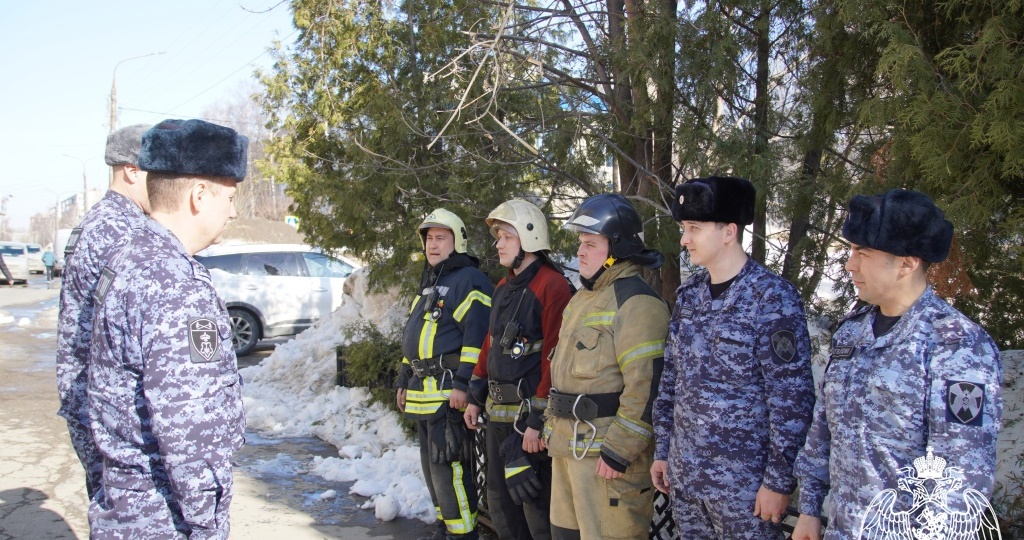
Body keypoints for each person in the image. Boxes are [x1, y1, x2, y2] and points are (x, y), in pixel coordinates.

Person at [791, 189, 1002, 540]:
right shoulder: (852, 332)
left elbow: (961, 480)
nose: (849, 264)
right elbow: (824, 427)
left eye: (864, 252)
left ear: (907, 263)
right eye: (851, 250)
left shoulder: (956, 346)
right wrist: (810, 509)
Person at [88, 119, 248, 538]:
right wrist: (208, 522)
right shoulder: (176, 285)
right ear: (199, 196)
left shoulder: (128, 258)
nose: (233, 211)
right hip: (165, 518)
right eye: (229, 197)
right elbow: (190, 429)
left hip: (123, 509)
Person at [650, 176, 815, 539]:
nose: (684, 239)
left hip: (745, 491)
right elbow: (671, 382)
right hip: (687, 479)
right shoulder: (690, 297)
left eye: (694, 228)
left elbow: (791, 401)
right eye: (683, 228)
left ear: (729, 232)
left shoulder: (772, 299)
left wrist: (778, 481)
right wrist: (663, 450)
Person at [543, 193, 669, 540]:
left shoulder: (638, 302)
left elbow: (648, 389)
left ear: (617, 249)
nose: (580, 251)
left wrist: (618, 453)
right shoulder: (584, 297)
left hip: (606, 461)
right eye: (580, 243)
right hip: (569, 449)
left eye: (590, 243)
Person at [464, 199, 572, 540]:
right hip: (497, 419)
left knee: (535, 511)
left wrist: (536, 423)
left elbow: (555, 360)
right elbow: (490, 345)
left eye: (505, 236)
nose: (498, 244)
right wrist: (474, 394)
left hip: (527, 428)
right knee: (501, 509)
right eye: (498, 236)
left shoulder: (552, 286)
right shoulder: (501, 287)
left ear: (529, 237)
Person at [55, 123, 151, 500]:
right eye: (156, 174)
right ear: (131, 171)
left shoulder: (104, 221)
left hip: (90, 399)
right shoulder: (118, 229)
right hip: (107, 408)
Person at [396, 208, 493, 540]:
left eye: (441, 238)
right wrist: (403, 376)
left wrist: (464, 385)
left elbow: (478, 338)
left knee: (450, 470)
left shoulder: (468, 280)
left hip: (448, 396)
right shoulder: (432, 281)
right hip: (425, 396)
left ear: (458, 241)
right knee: (433, 470)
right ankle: (444, 528)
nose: (433, 245)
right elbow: (415, 337)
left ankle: (463, 535)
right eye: (429, 238)